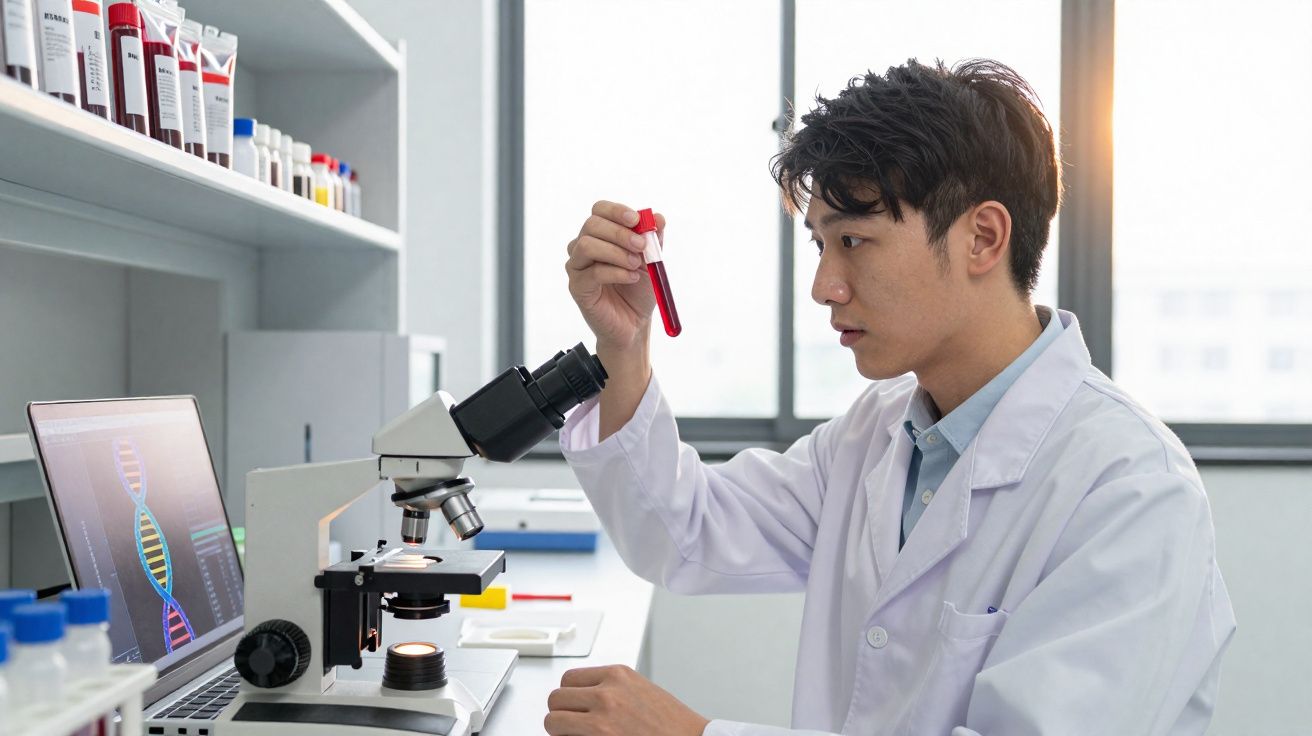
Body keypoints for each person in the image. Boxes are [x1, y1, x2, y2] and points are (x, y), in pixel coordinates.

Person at [543, 58, 1235, 736]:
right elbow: (684, 533)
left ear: (983, 238)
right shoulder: (877, 433)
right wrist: (625, 345)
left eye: (853, 240)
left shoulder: (1131, 490)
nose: (824, 287)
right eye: (820, 245)